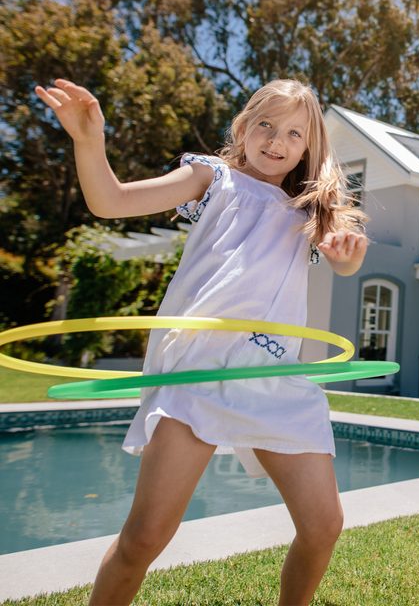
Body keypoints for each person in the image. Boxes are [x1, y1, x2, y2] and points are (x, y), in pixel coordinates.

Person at [33, 77, 368, 606]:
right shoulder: (212, 178)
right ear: (243, 125)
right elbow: (109, 202)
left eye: (294, 134)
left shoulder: (310, 211)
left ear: (309, 147)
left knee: (324, 526)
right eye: (266, 124)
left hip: (273, 377)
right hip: (198, 370)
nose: (276, 141)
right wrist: (88, 141)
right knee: (144, 537)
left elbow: (346, 262)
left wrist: (347, 254)